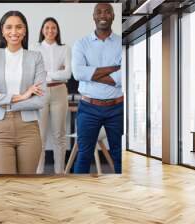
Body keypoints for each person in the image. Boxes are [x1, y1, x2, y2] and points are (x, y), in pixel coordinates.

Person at [0, 11, 47, 174]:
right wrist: (23, 96)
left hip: (29, 129)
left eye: (19, 27)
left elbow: (39, 101)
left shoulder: (36, 57)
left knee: (27, 186)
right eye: (9, 27)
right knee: (5, 185)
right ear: (2, 31)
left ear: (25, 30)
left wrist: (2, 100)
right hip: (0, 129)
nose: (14, 32)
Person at [72, 3, 123, 174]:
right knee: (84, 154)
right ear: (93, 16)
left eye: (107, 12)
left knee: (119, 155)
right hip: (88, 108)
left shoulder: (123, 43)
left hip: (117, 108)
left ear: (113, 16)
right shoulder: (81, 43)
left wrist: (92, 73)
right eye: (99, 12)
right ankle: (79, 195)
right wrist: (113, 68)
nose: (103, 15)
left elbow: (125, 75)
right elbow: (78, 73)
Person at [33, 17, 71, 174]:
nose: (50, 31)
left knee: (59, 135)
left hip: (59, 92)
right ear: (42, 30)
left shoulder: (65, 48)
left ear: (57, 30)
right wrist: (57, 73)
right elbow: (34, 74)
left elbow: (68, 74)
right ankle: (38, 174)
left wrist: (47, 73)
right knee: (39, 136)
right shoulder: (34, 48)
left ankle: (59, 173)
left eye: (53, 28)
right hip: (40, 92)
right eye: (47, 28)